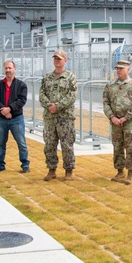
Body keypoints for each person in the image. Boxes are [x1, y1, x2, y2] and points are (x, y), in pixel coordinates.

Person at [103, 59, 132, 185]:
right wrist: (112, 117)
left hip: (129, 122)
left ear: (128, 69)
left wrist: (125, 118)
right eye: (117, 68)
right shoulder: (110, 86)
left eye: (121, 68)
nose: (119, 71)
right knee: (117, 147)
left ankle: (130, 173)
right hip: (115, 122)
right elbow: (105, 102)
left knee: (131, 147)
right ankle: (120, 171)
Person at [39, 49, 77, 181]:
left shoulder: (70, 77)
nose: (57, 61)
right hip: (50, 117)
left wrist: (58, 106)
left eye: (59, 59)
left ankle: (69, 170)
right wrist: (49, 105)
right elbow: (41, 94)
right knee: (49, 144)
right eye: (55, 58)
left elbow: (72, 96)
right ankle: (51, 169)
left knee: (67, 144)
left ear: (65, 61)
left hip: (65, 117)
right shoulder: (47, 77)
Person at [0, 60, 29, 175]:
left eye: (10, 68)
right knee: (1, 143)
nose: (8, 70)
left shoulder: (21, 85)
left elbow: (21, 100)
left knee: (21, 143)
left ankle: (25, 164)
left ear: (14, 69)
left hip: (16, 119)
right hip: (2, 119)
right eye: (6, 68)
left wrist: (10, 109)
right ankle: (0, 165)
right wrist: (4, 111)